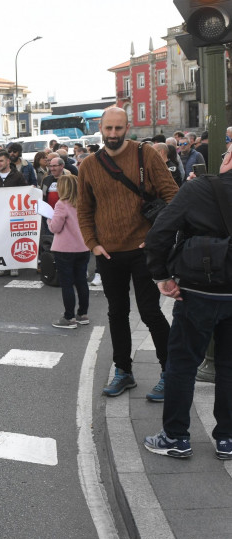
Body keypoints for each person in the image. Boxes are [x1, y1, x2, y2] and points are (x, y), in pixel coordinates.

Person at [77, 106, 178, 398]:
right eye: (108, 129)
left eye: (118, 129)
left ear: (127, 127)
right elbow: (84, 209)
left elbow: (172, 196)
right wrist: (92, 244)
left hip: (144, 250)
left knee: (150, 312)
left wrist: (158, 238)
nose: (112, 134)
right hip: (108, 254)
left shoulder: (144, 154)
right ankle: (123, 371)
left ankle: (170, 372)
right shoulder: (88, 166)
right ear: (101, 128)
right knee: (117, 313)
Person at [142, 150, 232, 458]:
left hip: (197, 292)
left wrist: (162, 277)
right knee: (230, 366)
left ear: (230, 159)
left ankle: (176, 437)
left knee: (181, 365)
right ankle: (227, 439)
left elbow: (159, 235)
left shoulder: (198, 188)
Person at [47, 175, 90, 329]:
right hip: (83, 247)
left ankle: (69, 317)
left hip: (64, 249)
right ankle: (82, 314)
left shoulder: (62, 204)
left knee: (67, 284)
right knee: (81, 282)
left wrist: (48, 219)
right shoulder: (83, 203)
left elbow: (55, 228)